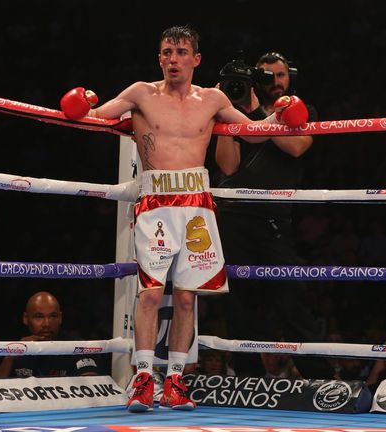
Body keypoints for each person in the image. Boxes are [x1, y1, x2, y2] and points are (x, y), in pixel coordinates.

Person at [60, 26, 308, 413]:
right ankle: (143, 379)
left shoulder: (212, 98)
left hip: (196, 202)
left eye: (180, 51)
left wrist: (279, 115)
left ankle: (175, 381)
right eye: (166, 52)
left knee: (188, 298)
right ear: (159, 58)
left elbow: (252, 133)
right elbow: (94, 117)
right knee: (152, 292)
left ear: (196, 59)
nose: (172, 58)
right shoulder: (140, 92)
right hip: (156, 200)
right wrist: (79, 105)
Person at [211, 51, 325, 378]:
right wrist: (233, 115)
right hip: (233, 215)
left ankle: (317, 375)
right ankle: (247, 377)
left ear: (290, 78)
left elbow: (297, 146)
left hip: (273, 218)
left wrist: (258, 115)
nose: (274, 82)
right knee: (238, 303)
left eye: (280, 75)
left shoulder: (301, 110)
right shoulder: (231, 111)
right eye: (266, 76)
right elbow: (228, 165)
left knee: (290, 298)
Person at [0, 291, 104, 378]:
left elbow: (91, 388)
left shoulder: (78, 348)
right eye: (39, 316)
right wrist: (9, 359)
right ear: (26, 318)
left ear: (60, 318)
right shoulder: (15, 348)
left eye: (53, 316)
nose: (46, 324)